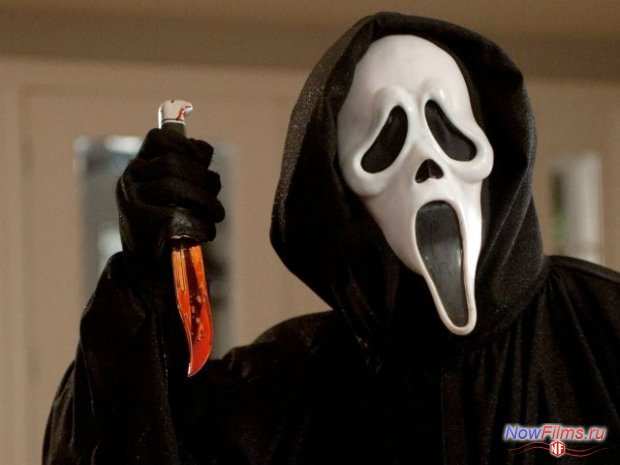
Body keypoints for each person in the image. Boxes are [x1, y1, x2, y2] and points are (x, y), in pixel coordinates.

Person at [44, 12, 619, 465]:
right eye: (386, 139)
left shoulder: (602, 329)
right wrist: (143, 286)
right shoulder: (284, 389)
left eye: (448, 129)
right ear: (341, 194)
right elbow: (117, 443)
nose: (428, 165)